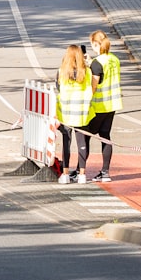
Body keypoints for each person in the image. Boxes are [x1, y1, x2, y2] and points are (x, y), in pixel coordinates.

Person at [55, 45, 96, 185]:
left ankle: (65, 174)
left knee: (66, 143)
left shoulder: (61, 72)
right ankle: (82, 174)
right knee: (82, 143)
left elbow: (58, 87)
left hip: (66, 112)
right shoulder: (87, 72)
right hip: (82, 112)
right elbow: (93, 88)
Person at [86, 30, 122, 183]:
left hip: (99, 105)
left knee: (85, 136)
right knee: (105, 137)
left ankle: (79, 169)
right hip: (112, 104)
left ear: (96, 44)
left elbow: (94, 85)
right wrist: (91, 63)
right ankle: (105, 172)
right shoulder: (114, 59)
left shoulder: (97, 62)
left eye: (92, 45)